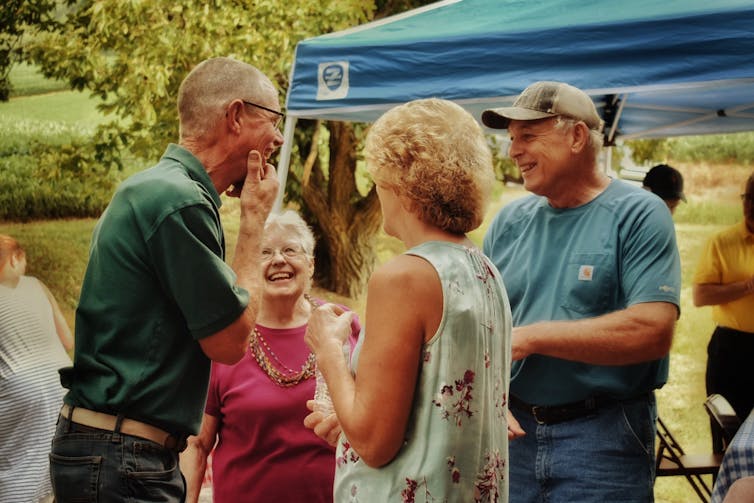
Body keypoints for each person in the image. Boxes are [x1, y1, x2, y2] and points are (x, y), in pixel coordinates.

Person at [49, 56, 282, 502]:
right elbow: (230, 342)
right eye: (272, 120)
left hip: (116, 453)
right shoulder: (178, 200)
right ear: (235, 116)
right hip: (123, 459)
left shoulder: (160, 188)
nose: (279, 137)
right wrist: (253, 218)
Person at [481, 81, 681, 502]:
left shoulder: (638, 213)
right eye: (512, 138)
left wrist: (533, 338)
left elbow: (653, 330)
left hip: (604, 438)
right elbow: (479, 325)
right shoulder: (508, 221)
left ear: (576, 137)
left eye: (528, 136)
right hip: (513, 434)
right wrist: (490, 395)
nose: (513, 151)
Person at [304, 98, 512, 502]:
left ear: (399, 180)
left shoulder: (403, 277)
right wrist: (347, 419)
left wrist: (328, 349)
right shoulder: (485, 271)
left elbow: (375, 442)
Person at [181, 210, 361, 502]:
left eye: (290, 249)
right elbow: (197, 443)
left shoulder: (343, 323)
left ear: (311, 264)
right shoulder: (225, 338)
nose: (278, 259)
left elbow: (374, 418)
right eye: (265, 252)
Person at [0, 235, 72, 503]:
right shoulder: (36, 285)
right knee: (47, 466)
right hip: (61, 382)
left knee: (15, 464)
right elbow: (68, 340)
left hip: (18, 387)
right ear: (15, 258)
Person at [693, 172, 754, 435]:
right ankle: (725, 477)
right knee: (728, 433)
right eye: (748, 197)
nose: (751, 205)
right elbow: (701, 296)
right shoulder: (722, 242)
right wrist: (747, 286)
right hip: (732, 351)